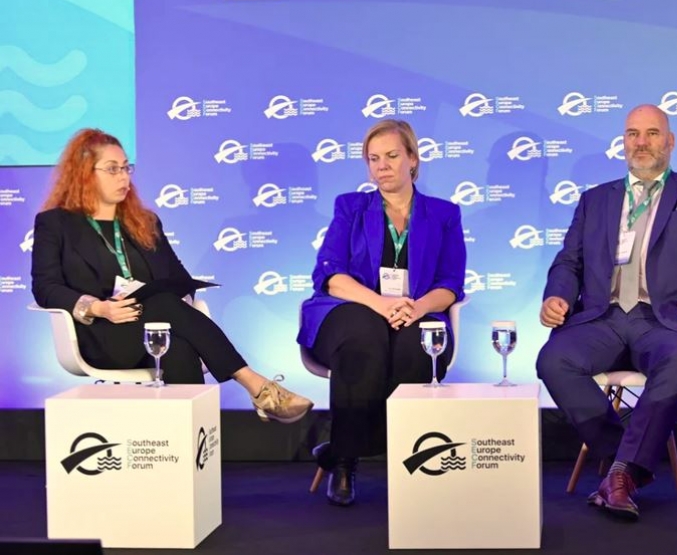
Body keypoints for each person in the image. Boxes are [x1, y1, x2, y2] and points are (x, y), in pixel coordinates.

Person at [536, 104, 677, 521]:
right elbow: (568, 262)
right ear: (623, 141)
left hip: (665, 321)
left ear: (670, 141)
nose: (641, 143)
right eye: (632, 134)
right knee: (553, 359)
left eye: (651, 133)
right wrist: (557, 296)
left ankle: (619, 471)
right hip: (602, 318)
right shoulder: (595, 199)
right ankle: (623, 465)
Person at [31, 128, 312, 423]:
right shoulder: (55, 224)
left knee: (179, 346)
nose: (123, 177)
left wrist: (181, 301)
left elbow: (178, 278)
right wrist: (98, 308)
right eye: (112, 169)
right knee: (164, 303)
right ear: (84, 173)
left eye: (126, 168)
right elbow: (45, 287)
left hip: (155, 330)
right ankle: (255, 384)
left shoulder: (144, 222)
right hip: (103, 335)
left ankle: (191, 442)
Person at [298, 119, 466, 507]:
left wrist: (417, 307)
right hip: (349, 311)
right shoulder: (351, 207)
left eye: (391, 156)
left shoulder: (444, 214)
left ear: (413, 159)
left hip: (416, 311)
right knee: (365, 331)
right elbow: (330, 274)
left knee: (418, 344)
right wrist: (382, 305)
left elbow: (450, 283)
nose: (382, 166)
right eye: (373, 159)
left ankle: (363, 450)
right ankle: (345, 464)